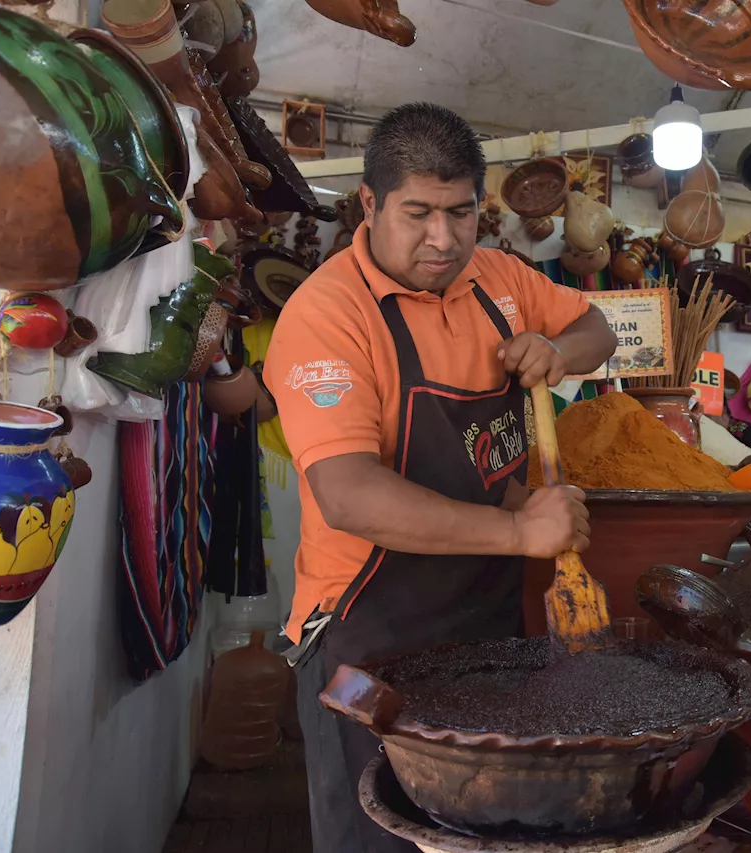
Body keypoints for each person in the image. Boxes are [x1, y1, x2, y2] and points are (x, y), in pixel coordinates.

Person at [265, 102, 617, 852]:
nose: (443, 239)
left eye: (460, 214)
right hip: (368, 645)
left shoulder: (499, 279)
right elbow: (349, 493)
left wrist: (559, 353)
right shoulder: (327, 314)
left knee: (478, 833)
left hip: (483, 631)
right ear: (370, 203)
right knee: (380, 837)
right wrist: (522, 529)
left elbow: (597, 327)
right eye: (418, 212)